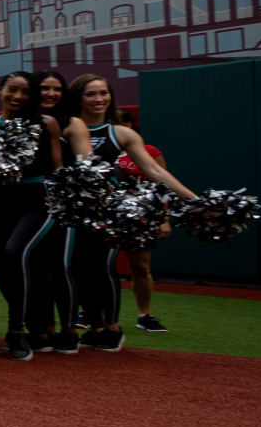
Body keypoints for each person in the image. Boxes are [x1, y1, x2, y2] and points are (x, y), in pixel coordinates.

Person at [58, 74, 199, 351]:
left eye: (103, 93)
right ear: (78, 98)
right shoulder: (64, 129)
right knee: (77, 269)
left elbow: (154, 170)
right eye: (91, 94)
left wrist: (194, 200)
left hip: (107, 213)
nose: (99, 99)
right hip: (71, 212)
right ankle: (95, 327)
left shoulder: (121, 133)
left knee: (103, 268)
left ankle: (112, 328)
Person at [0, 71, 64, 361]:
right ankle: (37, 324)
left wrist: (57, 198)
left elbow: (57, 168)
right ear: (0, 89)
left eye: (26, 92)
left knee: (15, 252)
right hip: (3, 202)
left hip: (38, 201)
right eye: (12, 90)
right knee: (1, 266)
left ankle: (16, 330)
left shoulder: (47, 123)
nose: (18, 97)